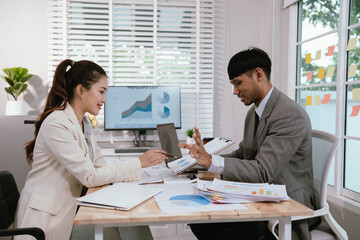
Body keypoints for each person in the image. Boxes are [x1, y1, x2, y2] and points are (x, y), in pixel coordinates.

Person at [14, 59, 167, 240]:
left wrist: (101, 172)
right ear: (80, 90)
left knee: (134, 226)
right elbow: (89, 176)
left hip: (72, 209)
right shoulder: (57, 124)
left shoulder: (84, 124)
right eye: (101, 92)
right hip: (49, 220)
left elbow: (98, 167)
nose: (104, 99)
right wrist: (139, 163)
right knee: (127, 229)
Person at [179, 47, 320, 240]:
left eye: (238, 83)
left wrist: (211, 162)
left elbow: (263, 171)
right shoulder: (254, 112)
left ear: (258, 74)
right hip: (260, 193)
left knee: (217, 228)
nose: (235, 91)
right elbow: (244, 153)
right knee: (201, 221)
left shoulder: (289, 114)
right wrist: (201, 162)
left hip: (287, 204)